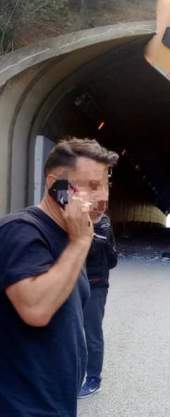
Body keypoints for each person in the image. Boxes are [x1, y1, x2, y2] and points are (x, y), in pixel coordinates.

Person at [0, 138, 118, 417]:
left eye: (104, 185)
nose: (102, 197)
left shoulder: (68, 237)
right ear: (57, 186)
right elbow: (36, 310)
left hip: (56, 403)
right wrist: (80, 243)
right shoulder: (21, 231)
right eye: (90, 185)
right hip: (21, 406)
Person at [79, 214, 119, 398]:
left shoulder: (102, 223)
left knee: (91, 333)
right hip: (71, 283)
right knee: (69, 331)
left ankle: (94, 379)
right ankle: (71, 375)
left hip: (95, 284)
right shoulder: (68, 216)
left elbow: (110, 259)